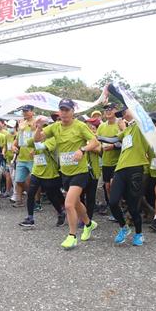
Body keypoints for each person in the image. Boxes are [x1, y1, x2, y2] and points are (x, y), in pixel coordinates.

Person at [34, 99, 99, 249]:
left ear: (72, 111)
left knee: (68, 204)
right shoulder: (55, 127)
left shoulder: (80, 126)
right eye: (61, 110)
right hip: (65, 172)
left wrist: (82, 150)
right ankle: (88, 224)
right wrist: (38, 127)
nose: (63, 113)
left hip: (80, 171)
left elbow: (94, 142)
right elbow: (37, 139)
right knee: (75, 203)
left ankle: (71, 236)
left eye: (67, 110)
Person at [108, 108, 150, 246]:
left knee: (133, 207)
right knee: (113, 201)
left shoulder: (140, 126)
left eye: (126, 111)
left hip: (136, 168)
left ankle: (139, 233)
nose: (124, 115)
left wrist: (112, 89)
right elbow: (113, 139)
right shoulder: (126, 131)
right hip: (120, 169)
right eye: (122, 114)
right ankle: (123, 227)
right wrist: (93, 137)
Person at [19, 116, 66, 228]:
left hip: (50, 173)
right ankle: (30, 218)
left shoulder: (52, 139)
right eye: (40, 126)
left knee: (52, 196)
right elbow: (22, 143)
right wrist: (21, 131)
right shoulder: (37, 136)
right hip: (36, 171)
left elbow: (41, 146)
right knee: (31, 193)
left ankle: (61, 212)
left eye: (45, 126)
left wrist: (38, 132)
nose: (43, 129)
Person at [97, 103, 121, 219]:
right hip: (106, 161)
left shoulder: (120, 124)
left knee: (113, 185)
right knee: (107, 187)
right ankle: (114, 210)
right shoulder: (101, 126)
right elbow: (98, 142)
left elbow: (125, 140)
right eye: (106, 109)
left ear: (116, 110)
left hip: (119, 161)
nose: (108, 111)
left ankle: (119, 209)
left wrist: (113, 146)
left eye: (110, 109)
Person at [12, 105, 36, 208]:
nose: (24, 113)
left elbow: (40, 138)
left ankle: (36, 202)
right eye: (23, 111)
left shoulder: (36, 123)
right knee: (19, 180)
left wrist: (36, 150)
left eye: (26, 111)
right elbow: (17, 140)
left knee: (34, 181)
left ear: (32, 112)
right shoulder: (21, 124)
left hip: (33, 158)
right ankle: (20, 200)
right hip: (21, 157)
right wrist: (13, 146)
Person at [83, 117, 104, 222]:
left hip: (94, 170)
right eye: (88, 126)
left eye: (92, 127)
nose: (90, 129)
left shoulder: (96, 139)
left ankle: (88, 219)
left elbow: (100, 150)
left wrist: (88, 146)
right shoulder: (81, 138)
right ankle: (82, 217)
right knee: (80, 195)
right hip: (81, 170)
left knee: (90, 196)